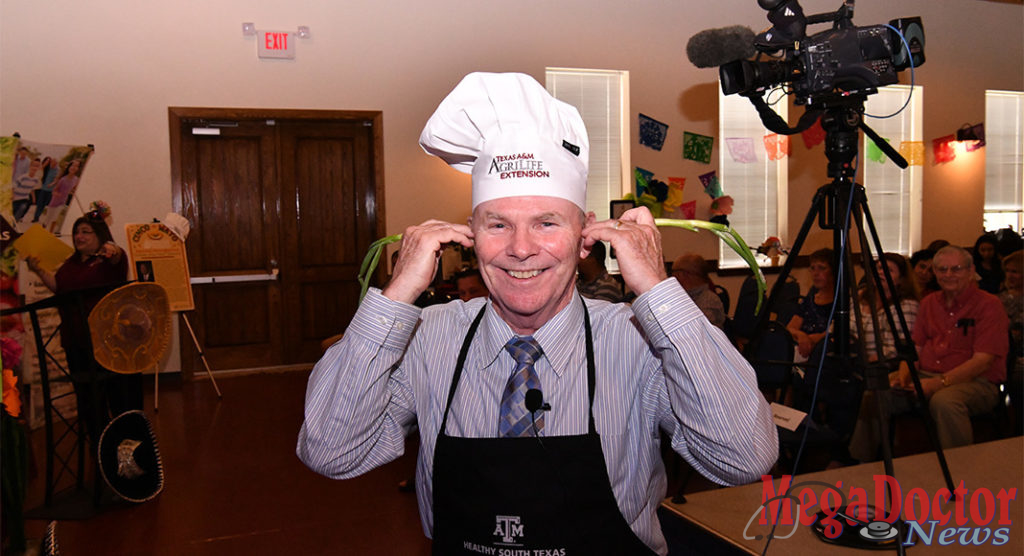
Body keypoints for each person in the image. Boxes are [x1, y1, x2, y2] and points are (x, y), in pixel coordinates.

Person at [297, 73, 776, 555]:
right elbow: (333, 453)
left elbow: (742, 458)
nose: (520, 249)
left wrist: (655, 288)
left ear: (585, 233)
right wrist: (398, 291)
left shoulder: (639, 340)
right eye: (498, 224)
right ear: (469, 235)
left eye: (547, 223)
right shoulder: (427, 338)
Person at [848, 246, 1009, 462]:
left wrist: (939, 383)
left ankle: (958, 468)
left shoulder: (989, 305)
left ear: (971, 271)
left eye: (956, 269)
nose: (948, 275)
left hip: (976, 382)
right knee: (876, 393)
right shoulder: (929, 303)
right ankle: (861, 463)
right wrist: (905, 375)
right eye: (942, 270)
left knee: (944, 402)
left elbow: (982, 361)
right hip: (926, 375)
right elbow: (915, 350)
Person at [24, 213, 139, 444]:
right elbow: (59, 287)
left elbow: (118, 257)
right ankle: (99, 449)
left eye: (86, 231)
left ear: (101, 236)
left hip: (105, 344)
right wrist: (38, 270)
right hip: (75, 341)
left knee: (116, 398)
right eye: (77, 232)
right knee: (88, 403)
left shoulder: (109, 261)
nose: (79, 236)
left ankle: (123, 449)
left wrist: (112, 250)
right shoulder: (71, 263)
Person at [786, 248, 836, 361]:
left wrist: (813, 339)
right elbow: (790, 328)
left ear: (834, 271)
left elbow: (833, 333)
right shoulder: (810, 299)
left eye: (822, 268)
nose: (816, 274)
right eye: (812, 268)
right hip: (800, 347)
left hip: (823, 353)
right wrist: (801, 336)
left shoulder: (841, 302)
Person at [999, 250, 1022, 435]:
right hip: (1004, 351)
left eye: (1015, 271)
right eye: (1008, 271)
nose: (1010, 276)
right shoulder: (1002, 297)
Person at [670, 253, 725, 329]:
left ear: (683, 274)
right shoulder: (686, 297)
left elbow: (698, 333)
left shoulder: (708, 301)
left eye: (674, 272)